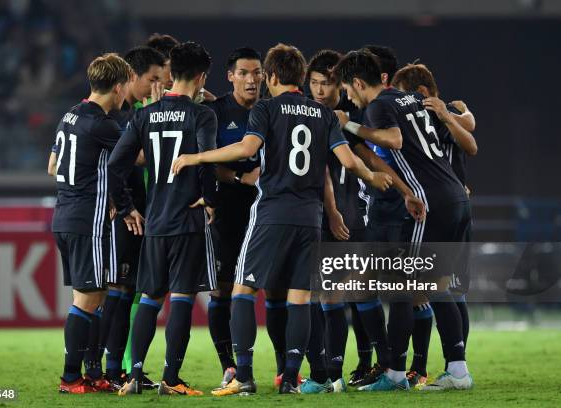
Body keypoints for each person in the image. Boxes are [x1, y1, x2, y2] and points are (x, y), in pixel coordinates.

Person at [171, 43, 392, 395]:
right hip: (309, 217)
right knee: (300, 297)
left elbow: (246, 150)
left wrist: (197, 158)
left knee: (242, 290)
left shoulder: (266, 109)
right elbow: (348, 162)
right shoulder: (323, 115)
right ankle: (290, 378)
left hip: (272, 212)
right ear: (301, 77)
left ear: (271, 77)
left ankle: (242, 375)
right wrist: (373, 176)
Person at [334, 49, 473, 391]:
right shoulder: (411, 98)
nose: (348, 96)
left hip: (432, 202)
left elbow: (394, 140)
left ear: (356, 82)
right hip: (453, 196)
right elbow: (409, 149)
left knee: (402, 287)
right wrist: (405, 189)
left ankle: (396, 374)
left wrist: (350, 125)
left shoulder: (378, 105)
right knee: (437, 283)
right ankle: (457, 370)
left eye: (347, 89)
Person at [108, 41, 217, 397]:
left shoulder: (144, 114)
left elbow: (114, 167)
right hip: (187, 220)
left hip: (154, 221)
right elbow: (206, 158)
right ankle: (170, 379)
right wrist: (209, 197)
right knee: (182, 298)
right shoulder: (202, 115)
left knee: (150, 298)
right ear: (201, 77)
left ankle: (135, 375)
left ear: (172, 74)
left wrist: (127, 208)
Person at [391, 62, 477, 385]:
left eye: (403, 95)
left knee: (448, 288)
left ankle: (456, 363)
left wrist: (446, 114)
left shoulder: (447, 110)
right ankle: (447, 366)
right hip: (441, 207)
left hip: (449, 209)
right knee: (435, 287)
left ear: (421, 93)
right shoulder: (415, 122)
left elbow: (470, 139)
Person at [52, 53, 131, 394]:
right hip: (87, 221)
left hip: (64, 217)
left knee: (93, 297)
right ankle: (71, 378)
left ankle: (91, 373)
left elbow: (53, 166)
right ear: (116, 87)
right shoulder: (102, 124)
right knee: (86, 301)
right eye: (126, 88)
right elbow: (138, 156)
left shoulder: (70, 115)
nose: (126, 96)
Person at [101, 46, 166, 390]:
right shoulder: (122, 117)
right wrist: (122, 205)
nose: (159, 85)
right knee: (117, 290)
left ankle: (116, 369)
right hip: (124, 216)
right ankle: (108, 369)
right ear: (132, 78)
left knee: (127, 291)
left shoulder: (135, 113)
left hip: (140, 214)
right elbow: (132, 160)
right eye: (153, 79)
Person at [204, 47, 263, 387]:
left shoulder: (272, 111)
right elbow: (207, 159)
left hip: (268, 210)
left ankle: (289, 368)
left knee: (281, 290)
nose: (251, 79)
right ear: (231, 76)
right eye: (244, 72)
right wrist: (239, 178)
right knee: (222, 289)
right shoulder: (216, 111)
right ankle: (229, 365)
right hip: (227, 209)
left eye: (257, 72)